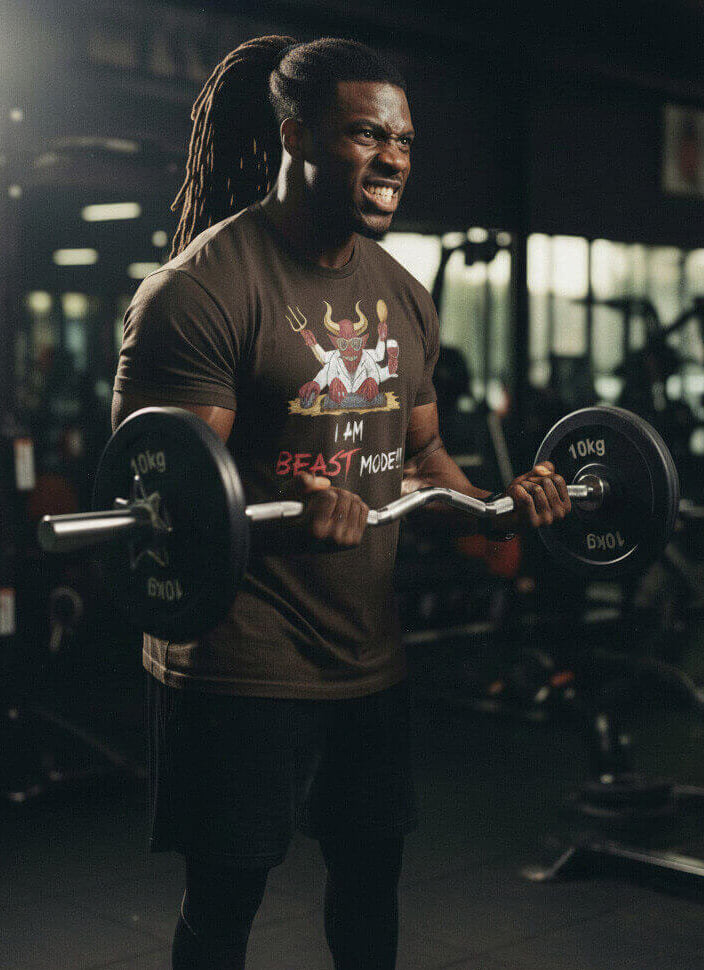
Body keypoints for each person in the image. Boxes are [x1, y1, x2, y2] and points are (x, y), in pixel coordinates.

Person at [112, 35, 571, 970]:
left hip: (368, 655)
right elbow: (160, 491)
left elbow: (424, 454)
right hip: (239, 662)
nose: (393, 156)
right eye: (366, 134)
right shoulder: (203, 292)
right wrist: (285, 491)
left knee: (369, 895)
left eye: (402, 138)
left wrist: (499, 506)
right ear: (295, 136)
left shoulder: (403, 297)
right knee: (225, 903)